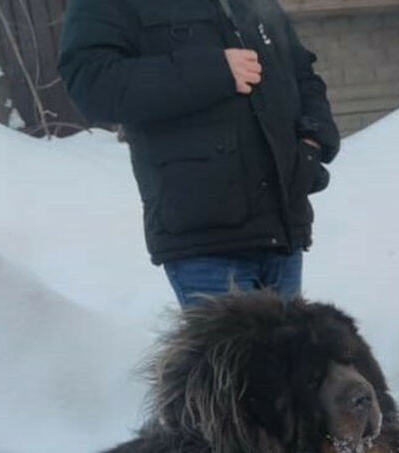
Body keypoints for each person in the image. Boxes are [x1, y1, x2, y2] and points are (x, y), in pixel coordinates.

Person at [57, 0, 339, 307]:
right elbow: (93, 83)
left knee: (288, 355)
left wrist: (314, 140)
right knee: (232, 356)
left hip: (283, 228)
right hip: (205, 240)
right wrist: (215, 70)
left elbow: (302, 72)